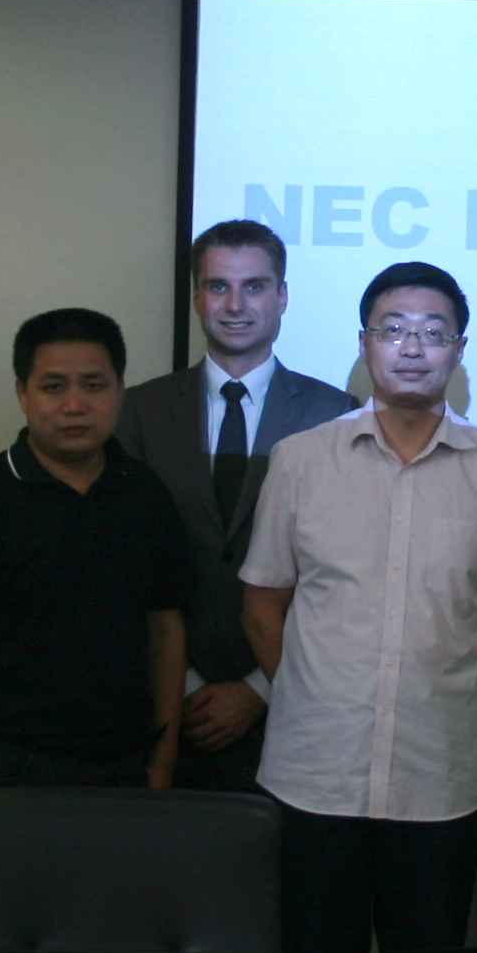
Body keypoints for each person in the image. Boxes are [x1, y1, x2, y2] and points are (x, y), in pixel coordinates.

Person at [239, 262, 477, 953]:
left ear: (459, 350)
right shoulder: (301, 461)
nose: (412, 347)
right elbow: (262, 607)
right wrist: (319, 689)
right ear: (364, 343)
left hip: (440, 775)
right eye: (393, 330)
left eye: (433, 333)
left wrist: (434, 689)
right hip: (315, 773)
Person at [0, 308, 193, 799]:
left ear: (120, 391)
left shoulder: (147, 495)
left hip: (125, 772)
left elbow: (166, 633)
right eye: (53, 387)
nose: (74, 405)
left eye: (94, 385)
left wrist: (163, 762)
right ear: (23, 394)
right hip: (2, 776)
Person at [119, 221, 357, 795]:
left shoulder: (336, 413)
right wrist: (184, 683)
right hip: (163, 706)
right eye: (218, 286)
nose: (235, 305)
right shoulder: (138, 411)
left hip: (293, 707)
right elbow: (122, 561)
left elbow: (345, 576)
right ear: (196, 296)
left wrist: (259, 689)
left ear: (283, 296)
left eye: (254, 286)